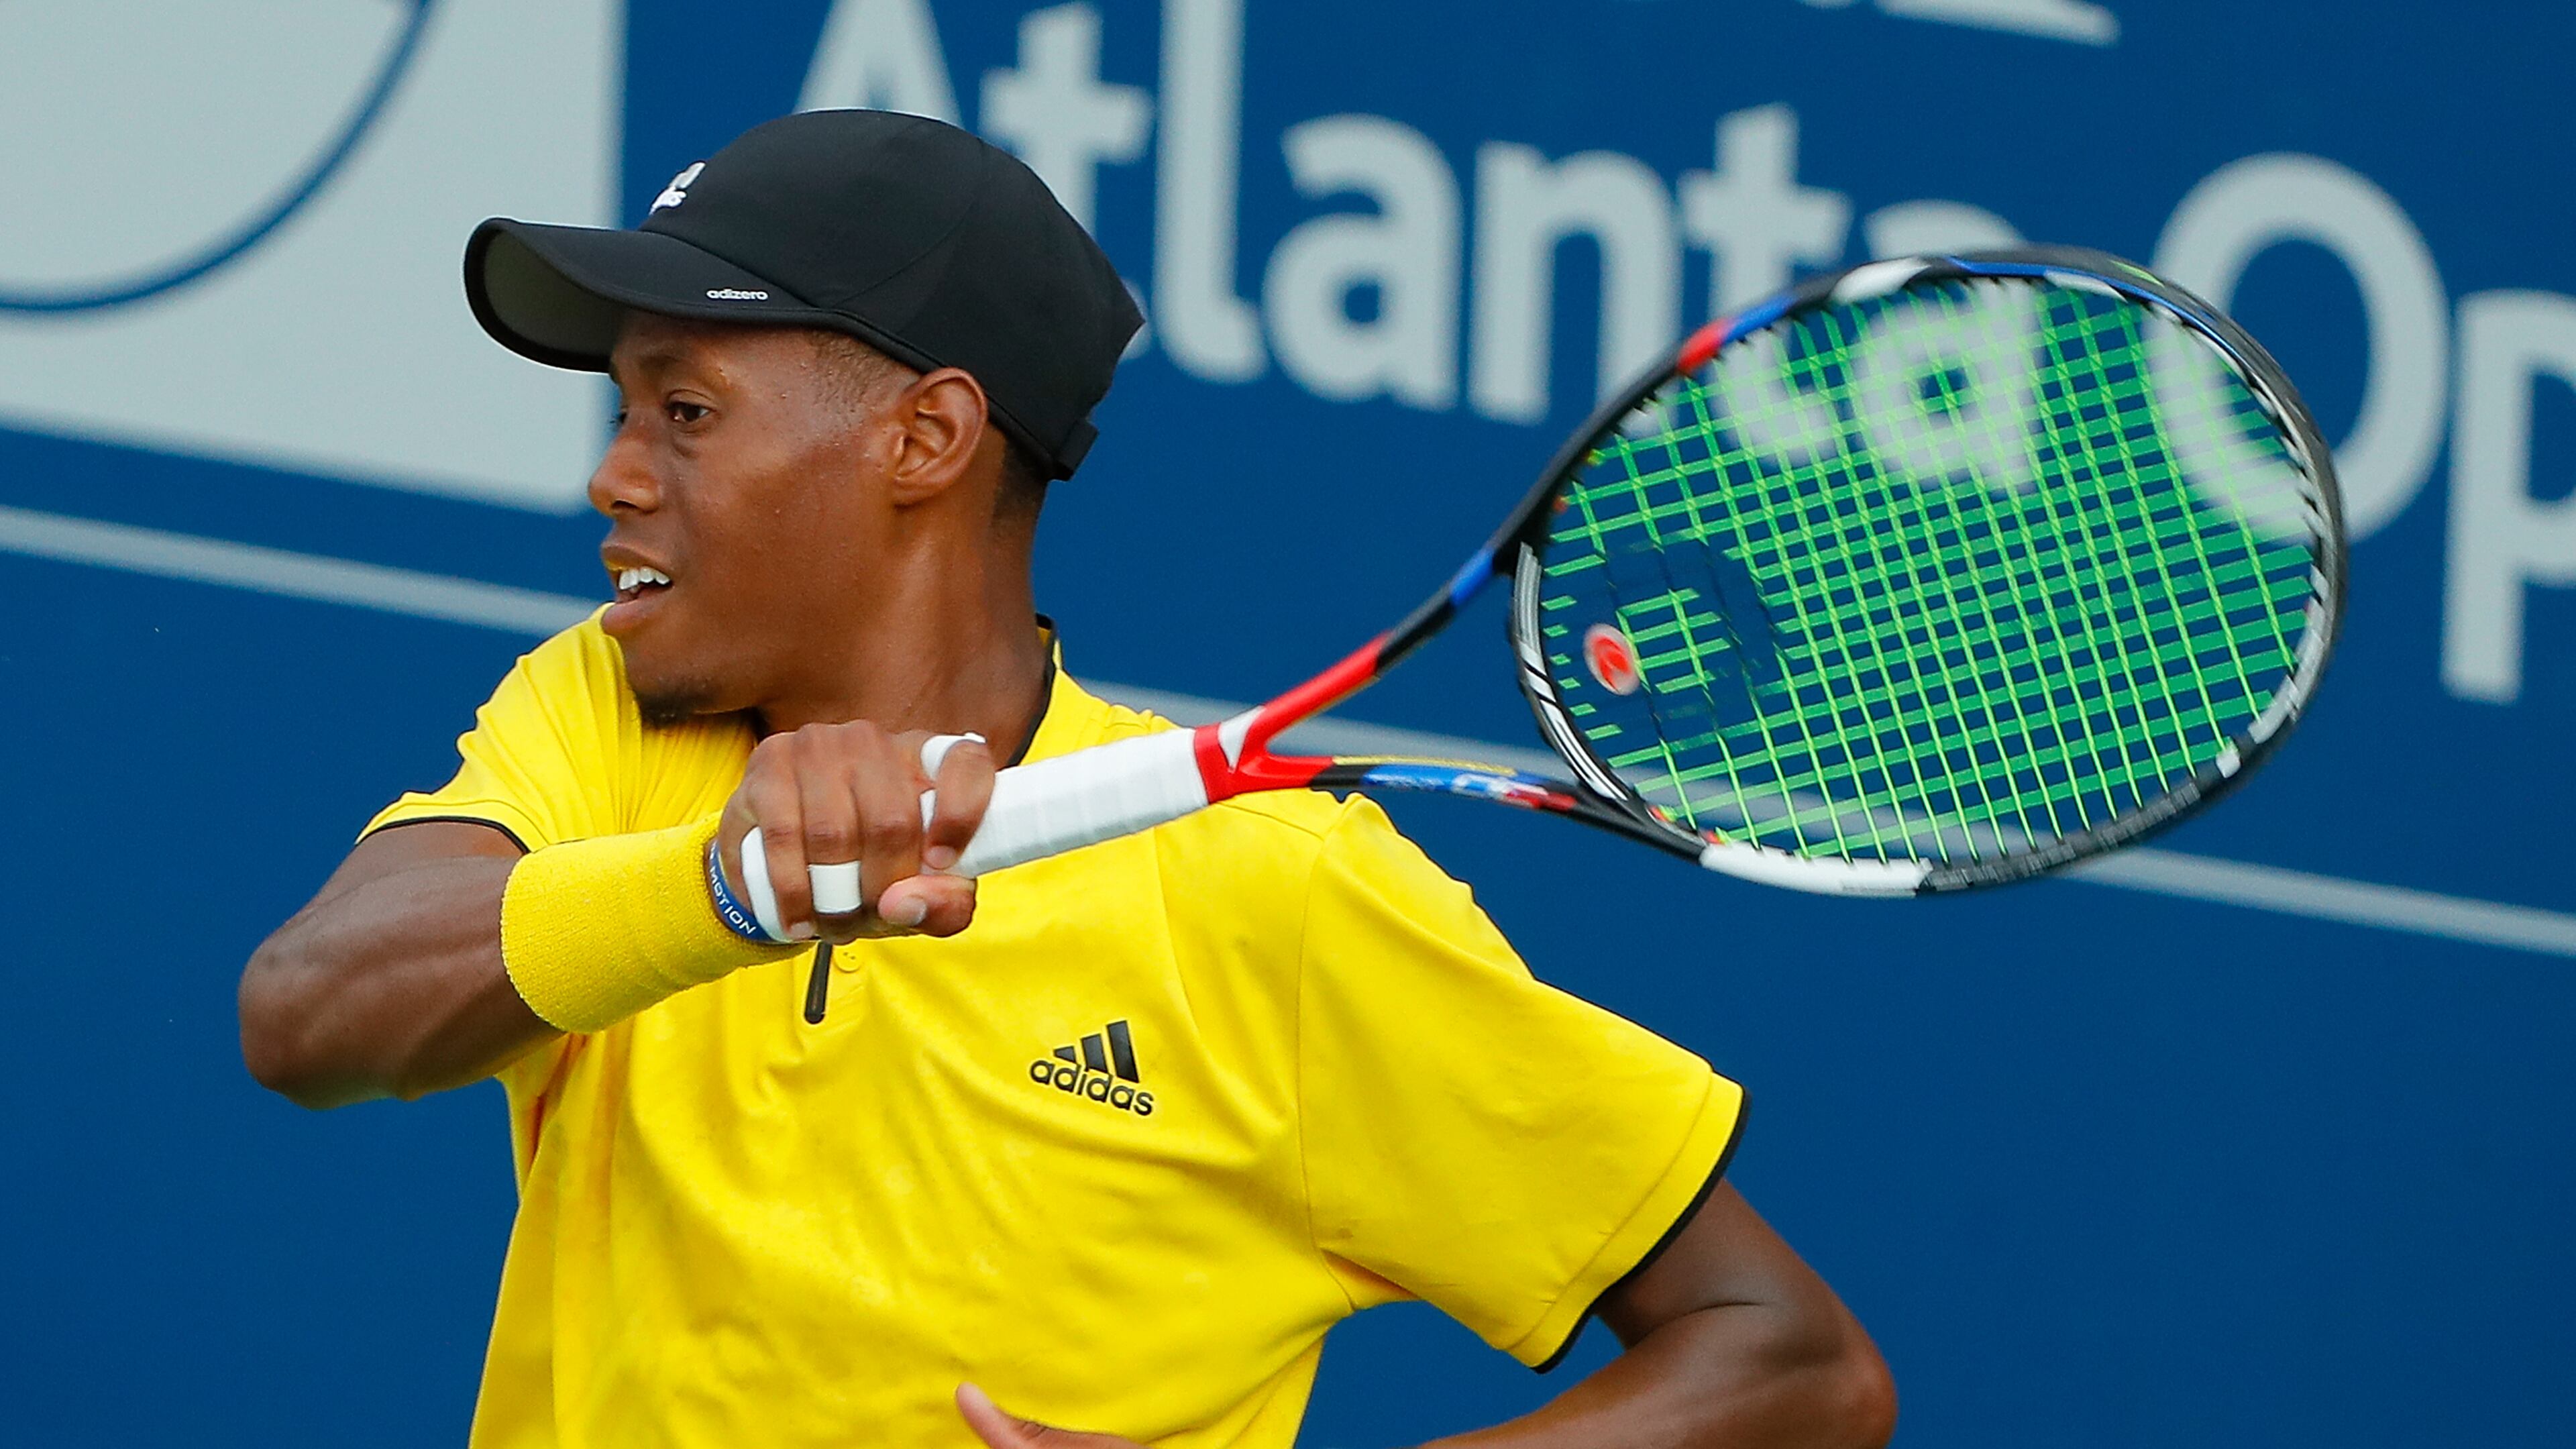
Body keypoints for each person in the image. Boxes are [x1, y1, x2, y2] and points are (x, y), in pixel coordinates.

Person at [238, 110, 1894, 1449]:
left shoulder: (1272, 891)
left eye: (686, 411)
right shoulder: (609, 720)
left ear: (926, 440)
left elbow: (1794, 1367)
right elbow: (307, 1017)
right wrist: (722, 891)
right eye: (622, 408)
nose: (612, 475)